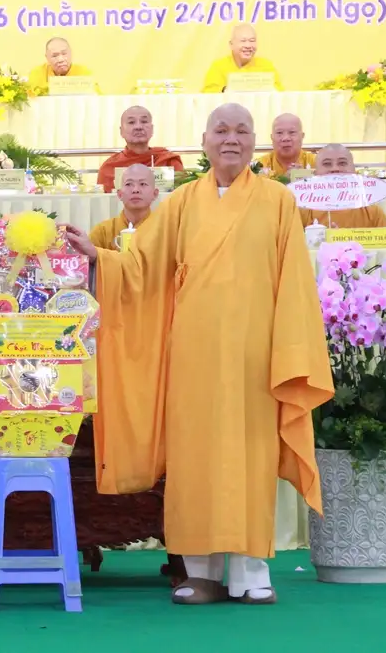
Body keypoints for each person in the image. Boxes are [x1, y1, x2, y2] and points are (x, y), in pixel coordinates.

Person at [64, 103, 333, 605]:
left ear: (254, 142)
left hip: (255, 352)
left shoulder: (278, 201)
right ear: (204, 141)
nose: (231, 139)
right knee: (194, 459)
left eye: (241, 131)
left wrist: (291, 350)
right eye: (221, 130)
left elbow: (295, 281)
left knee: (251, 457)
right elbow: (142, 266)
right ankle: (199, 572)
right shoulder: (182, 201)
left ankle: (251, 571)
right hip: (191, 353)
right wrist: (98, 255)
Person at [300, 144, 386, 229]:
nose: (335, 169)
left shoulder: (372, 212)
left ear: (354, 172)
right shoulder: (304, 211)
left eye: (342, 163)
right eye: (327, 164)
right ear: (315, 174)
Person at [96, 106, 183, 193]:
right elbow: (103, 200)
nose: (138, 127)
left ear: (152, 129)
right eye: (131, 122)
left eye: (144, 121)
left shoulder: (168, 161)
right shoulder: (109, 167)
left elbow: (183, 196)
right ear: (121, 131)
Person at [89, 164, 159, 250]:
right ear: (120, 194)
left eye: (143, 184)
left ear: (155, 194)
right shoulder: (102, 232)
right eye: (129, 184)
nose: (135, 190)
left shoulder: (164, 230)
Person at [201, 24, 282, 93]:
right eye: (243, 41)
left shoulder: (266, 65)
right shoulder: (219, 66)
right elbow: (208, 93)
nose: (248, 46)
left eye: (252, 41)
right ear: (231, 44)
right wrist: (226, 90)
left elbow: (280, 92)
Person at [28, 37, 93, 85]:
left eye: (64, 53)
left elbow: (95, 97)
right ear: (47, 58)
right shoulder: (37, 73)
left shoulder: (84, 73)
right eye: (55, 56)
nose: (60, 59)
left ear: (71, 53)